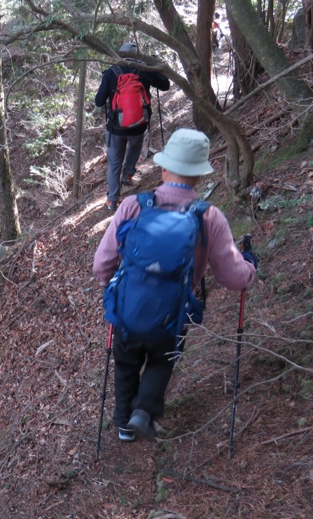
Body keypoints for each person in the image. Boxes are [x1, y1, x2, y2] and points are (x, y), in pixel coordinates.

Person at [92, 128, 257, 441]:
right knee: (162, 360)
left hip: (129, 307)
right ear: (198, 175)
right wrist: (250, 267)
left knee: (126, 364)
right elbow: (233, 276)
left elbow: (103, 263)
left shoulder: (132, 206)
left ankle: (125, 424)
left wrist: (110, 286)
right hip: (173, 312)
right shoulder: (210, 217)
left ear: (164, 167)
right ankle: (144, 410)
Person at [95, 42, 170, 211]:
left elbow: (99, 101)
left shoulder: (111, 72)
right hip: (139, 124)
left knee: (114, 163)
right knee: (135, 147)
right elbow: (165, 85)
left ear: (120, 55)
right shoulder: (143, 69)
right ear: (138, 56)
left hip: (116, 127)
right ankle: (128, 173)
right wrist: (153, 66)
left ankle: (112, 200)